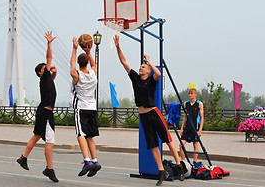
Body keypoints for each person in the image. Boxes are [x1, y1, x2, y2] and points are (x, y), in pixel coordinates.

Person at [113, 35, 184, 186]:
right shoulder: (135, 78)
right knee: (152, 145)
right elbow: (123, 62)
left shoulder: (152, 80)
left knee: (167, 139)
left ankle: (179, 164)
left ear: (148, 71)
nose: (141, 67)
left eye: (143, 67)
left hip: (153, 113)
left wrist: (149, 61)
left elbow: (158, 73)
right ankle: (161, 171)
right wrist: (118, 46)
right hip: (143, 116)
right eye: (141, 66)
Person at [16, 31, 59, 183]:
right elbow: (49, 58)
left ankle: (23, 158)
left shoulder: (47, 79)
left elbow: (53, 75)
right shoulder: (44, 77)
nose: (47, 68)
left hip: (44, 112)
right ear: (41, 72)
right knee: (50, 141)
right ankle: (49, 168)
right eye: (45, 68)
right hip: (46, 113)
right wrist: (49, 43)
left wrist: (54, 71)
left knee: (36, 136)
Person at [69, 37, 101, 177]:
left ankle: (87, 160)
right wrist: (89, 51)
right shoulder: (93, 74)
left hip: (81, 108)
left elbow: (71, 66)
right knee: (90, 136)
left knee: (80, 134)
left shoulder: (77, 75)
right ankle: (95, 161)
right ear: (87, 62)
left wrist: (75, 48)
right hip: (92, 108)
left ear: (78, 64)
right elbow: (94, 65)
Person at [179, 86, 204, 164]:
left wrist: (200, 130)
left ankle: (194, 162)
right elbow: (185, 116)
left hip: (195, 127)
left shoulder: (199, 104)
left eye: (191, 93)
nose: (190, 95)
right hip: (187, 127)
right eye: (189, 93)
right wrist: (182, 128)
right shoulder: (186, 103)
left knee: (195, 144)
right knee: (181, 145)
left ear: (195, 94)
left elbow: (202, 118)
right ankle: (183, 162)